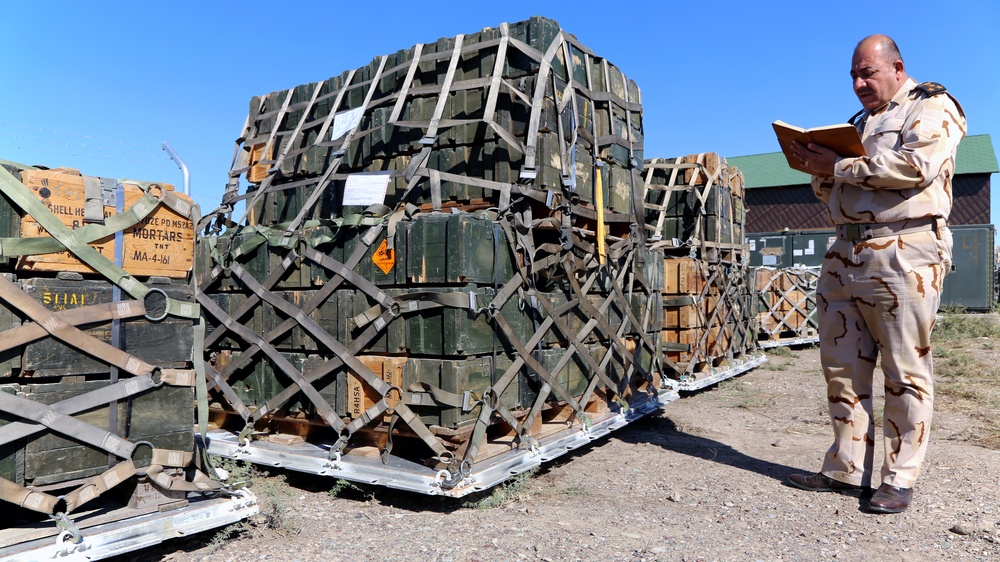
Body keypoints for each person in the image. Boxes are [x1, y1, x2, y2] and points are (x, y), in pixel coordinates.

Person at [786, 34, 966, 513]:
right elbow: (838, 187)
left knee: (904, 370)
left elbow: (917, 166)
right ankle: (847, 469)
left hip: (904, 250)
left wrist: (842, 165)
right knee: (842, 368)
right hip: (846, 249)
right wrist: (819, 168)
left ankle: (899, 479)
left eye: (868, 73)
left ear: (897, 68)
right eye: (853, 76)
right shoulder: (859, 123)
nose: (859, 84)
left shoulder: (931, 105)